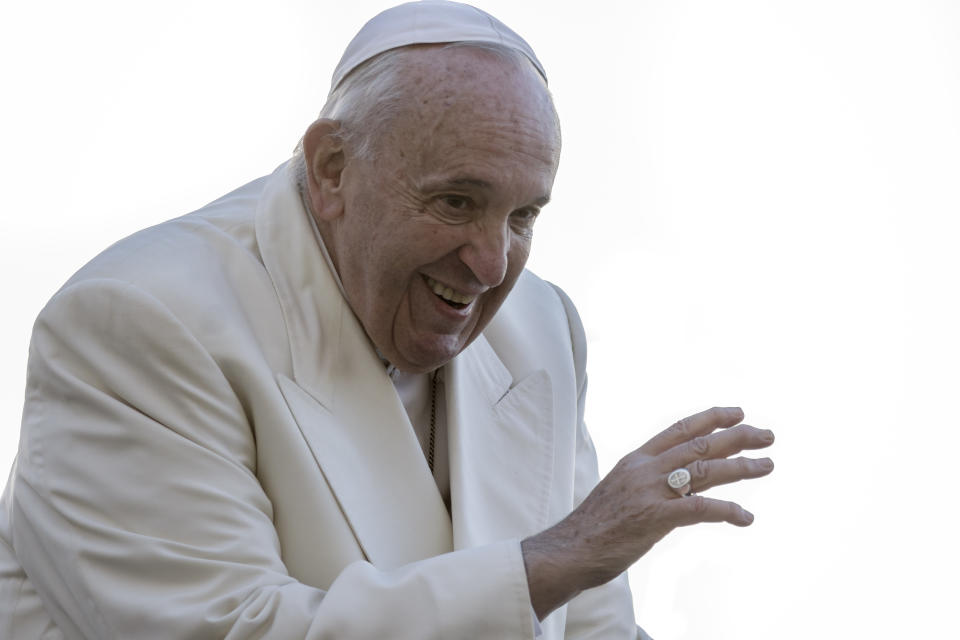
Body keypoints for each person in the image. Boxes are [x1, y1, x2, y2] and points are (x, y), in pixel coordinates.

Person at [0, 1, 775, 638]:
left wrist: (575, 562)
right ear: (333, 169)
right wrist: (556, 559)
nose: (492, 264)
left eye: (522, 215)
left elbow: (591, 629)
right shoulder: (139, 322)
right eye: (456, 202)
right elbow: (228, 629)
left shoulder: (537, 326)